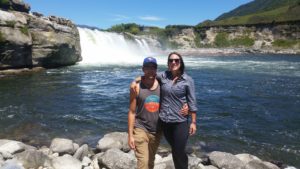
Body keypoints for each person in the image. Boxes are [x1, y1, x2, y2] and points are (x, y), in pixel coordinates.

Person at [157, 52, 197, 169]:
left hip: (180, 121)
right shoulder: (163, 76)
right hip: (165, 121)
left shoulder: (187, 80)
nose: (173, 62)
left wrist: (193, 122)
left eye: (176, 60)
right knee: (175, 149)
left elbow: (192, 101)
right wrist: (136, 81)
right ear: (168, 63)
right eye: (171, 60)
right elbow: (149, 75)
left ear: (181, 62)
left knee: (178, 150)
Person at [127, 57, 162, 169]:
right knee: (143, 162)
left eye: (153, 67)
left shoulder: (163, 85)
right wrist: (130, 135)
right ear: (143, 69)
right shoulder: (136, 87)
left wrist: (185, 106)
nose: (150, 70)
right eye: (147, 67)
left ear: (156, 69)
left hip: (157, 131)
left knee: (151, 162)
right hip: (140, 128)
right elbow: (132, 112)